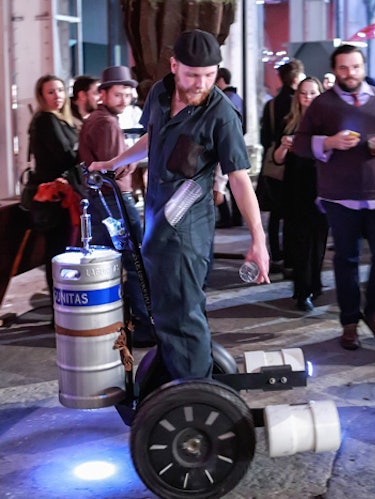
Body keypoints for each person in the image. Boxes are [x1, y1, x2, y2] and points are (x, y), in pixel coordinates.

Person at [89, 29, 270, 383]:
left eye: (209, 75)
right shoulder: (159, 93)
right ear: (174, 66)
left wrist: (258, 240)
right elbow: (152, 137)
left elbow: (238, 177)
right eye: (192, 75)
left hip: (187, 231)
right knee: (166, 313)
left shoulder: (222, 114)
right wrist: (116, 161)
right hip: (156, 220)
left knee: (183, 314)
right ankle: (181, 380)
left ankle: (196, 396)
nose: (201, 83)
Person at [294, 44, 375, 349]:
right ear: (335, 70)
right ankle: (350, 322)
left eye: (354, 67)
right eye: (343, 68)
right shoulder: (322, 105)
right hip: (340, 196)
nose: (349, 73)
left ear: (363, 67)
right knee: (346, 259)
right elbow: (300, 144)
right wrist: (328, 142)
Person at [79, 65, 154, 347]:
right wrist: (133, 161)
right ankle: (146, 325)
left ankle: (108, 323)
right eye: (119, 95)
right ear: (103, 94)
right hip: (114, 200)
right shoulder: (106, 122)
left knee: (106, 262)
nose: (125, 100)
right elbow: (115, 170)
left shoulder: (98, 118)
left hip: (102, 199)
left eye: (128, 95)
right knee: (134, 261)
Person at [273, 77, 328, 312]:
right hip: (295, 188)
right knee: (300, 241)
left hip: (321, 187)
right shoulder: (289, 121)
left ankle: (314, 284)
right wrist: (285, 146)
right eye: (304, 93)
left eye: (312, 93)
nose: (307, 97)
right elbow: (276, 159)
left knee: (319, 240)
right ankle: (302, 291)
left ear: (320, 94)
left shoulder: (327, 123)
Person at [28, 74, 78, 307]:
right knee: (57, 250)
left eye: (60, 90)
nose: (57, 95)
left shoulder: (60, 119)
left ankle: (61, 304)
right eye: (51, 92)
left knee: (60, 249)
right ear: (41, 96)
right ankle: (59, 307)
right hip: (54, 197)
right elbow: (65, 155)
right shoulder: (47, 120)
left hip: (61, 194)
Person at [259, 59, 305, 273]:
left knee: (276, 212)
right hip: (294, 164)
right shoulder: (298, 104)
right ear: (296, 79)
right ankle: (290, 256)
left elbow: (264, 137)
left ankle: (275, 253)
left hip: (273, 163)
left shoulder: (271, 104)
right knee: (292, 212)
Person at [214, 67, 244, 228]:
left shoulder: (226, 99)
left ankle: (227, 217)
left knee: (224, 182)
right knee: (234, 183)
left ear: (220, 79)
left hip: (227, 145)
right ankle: (236, 217)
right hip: (237, 144)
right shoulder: (236, 97)